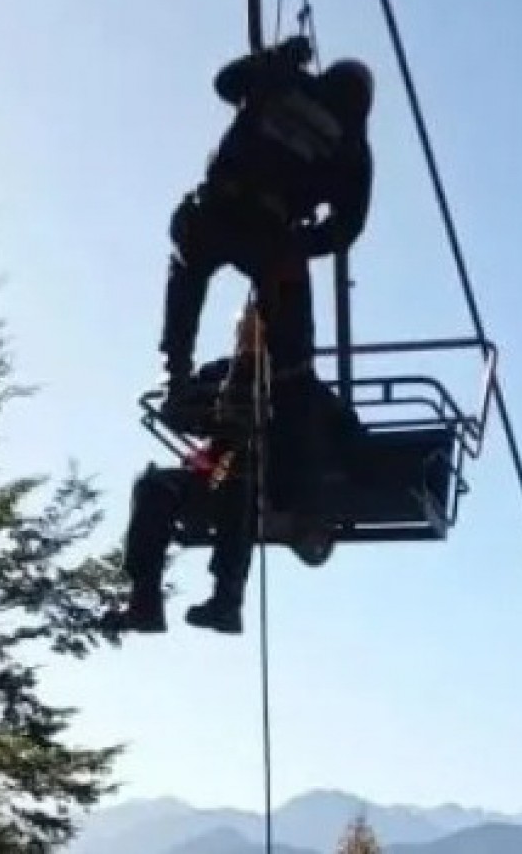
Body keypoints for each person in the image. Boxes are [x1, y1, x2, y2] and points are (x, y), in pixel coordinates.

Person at [157, 35, 374, 425]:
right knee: (291, 328)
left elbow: (226, 82)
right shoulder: (353, 147)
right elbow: (346, 228)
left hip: (217, 209)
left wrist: (277, 57)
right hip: (268, 234)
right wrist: (300, 244)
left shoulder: (287, 81)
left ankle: (179, 380)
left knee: (188, 269)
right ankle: (286, 395)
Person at [106, 305, 359, 637]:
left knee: (238, 479)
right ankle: (145, 600)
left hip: (278, 484)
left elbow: (348, 433)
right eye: (247, 332)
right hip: (221, 474)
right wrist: (211, 406)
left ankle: (227, 600)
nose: (253, 340)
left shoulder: (301, 385)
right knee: (156, 485)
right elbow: (177, 410)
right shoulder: (221, 373)